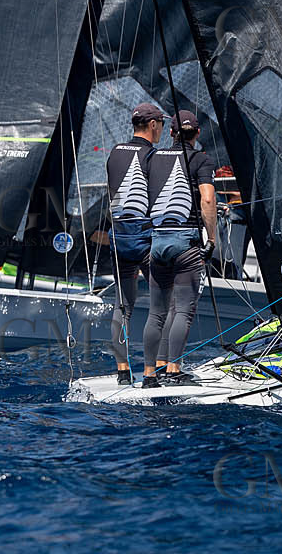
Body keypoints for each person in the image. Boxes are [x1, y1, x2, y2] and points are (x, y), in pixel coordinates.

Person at [141, 109, 217, 388]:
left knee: (156, 312)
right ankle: (174, 371)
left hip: (157, 242)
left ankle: (150, 374)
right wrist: (211, 239)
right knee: (183, 310)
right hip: (186, 244)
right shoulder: (200, 159)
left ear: (171, 133)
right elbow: (207, 200)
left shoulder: (152, 158)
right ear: (197, 134)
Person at [103, 102, 162, 383]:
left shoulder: (115, 153)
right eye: (161, 124)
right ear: (152, 125)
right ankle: (155, 371)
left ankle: (123, 372)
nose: (161, 129)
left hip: (119, 239)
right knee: (163, 304)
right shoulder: (153, 156)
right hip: (146, 240)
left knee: (122, 306)